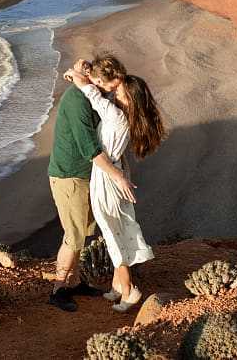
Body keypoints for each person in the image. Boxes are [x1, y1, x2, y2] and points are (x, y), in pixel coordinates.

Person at [63, 55, 166, 312]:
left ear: (128, 98)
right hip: (113, 174)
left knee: (111, 233)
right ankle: (117, 287)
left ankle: (129, 291)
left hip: (108, 178)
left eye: (117, 90)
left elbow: (91, 93)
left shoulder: (116, 116)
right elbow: (96, 90)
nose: (111, 92)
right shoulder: (123, 114)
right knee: (116, 228)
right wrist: (82, 69)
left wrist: (77, 76)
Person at [46, 55, 134, 312]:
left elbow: (84, 66)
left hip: (85, 175)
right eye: (110, 87)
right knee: (73, 237)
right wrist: (118, 176)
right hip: (69, 175)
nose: (112, 93)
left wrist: (77, 69)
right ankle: (58, 290)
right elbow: (90, 149)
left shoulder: (90, 91)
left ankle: (74, 282)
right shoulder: (78, 102)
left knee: (83, 232)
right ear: (96, 81)